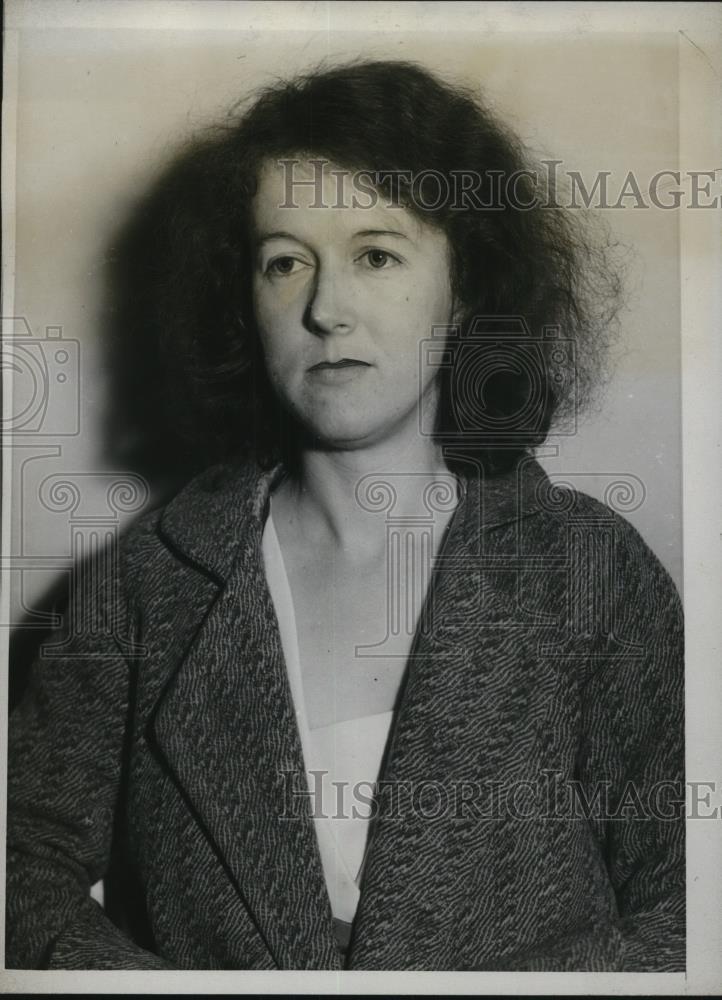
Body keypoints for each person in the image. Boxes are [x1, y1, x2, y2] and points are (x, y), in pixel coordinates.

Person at [6, 59, 684, 972]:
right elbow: (19, 862)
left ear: (468, 287)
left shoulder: (589, 568)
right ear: (243, 303)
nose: (326, 308)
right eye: (284, 262)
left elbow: (689, 903)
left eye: (377, 254)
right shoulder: (143, 584)